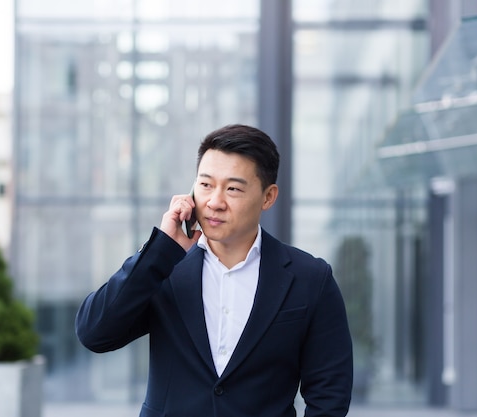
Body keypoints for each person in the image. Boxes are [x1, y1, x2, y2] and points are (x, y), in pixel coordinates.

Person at [75, 124, 353, 416]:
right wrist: (160, 250)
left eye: (232, 189)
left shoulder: (310, 278)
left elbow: (329, 395)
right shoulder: (164, 268)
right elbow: (95, 333)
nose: (214, 202)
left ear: (268, 197)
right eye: (205, 185)